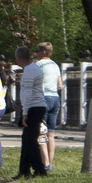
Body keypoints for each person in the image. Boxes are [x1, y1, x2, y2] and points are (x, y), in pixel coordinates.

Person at [15, 46, 47, 177]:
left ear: (19, 58)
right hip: (35, 106)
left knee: (30, 140)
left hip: (34, 107)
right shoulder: (32, 68)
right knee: (26, 139)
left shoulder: (30, 70)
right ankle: (24, 170)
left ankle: (39, 169)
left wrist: (25, 113)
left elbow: (28, 93)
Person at [35, 42, 63, 173]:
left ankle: (45, 163)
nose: (36, 54)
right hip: (55, 99)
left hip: (43, 98)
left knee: (41, 133)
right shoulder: (55, 65)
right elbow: (60, 85)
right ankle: (50, 163)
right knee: (50, 134)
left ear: (43, 52)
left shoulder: (39, 65)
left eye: (37, 51)